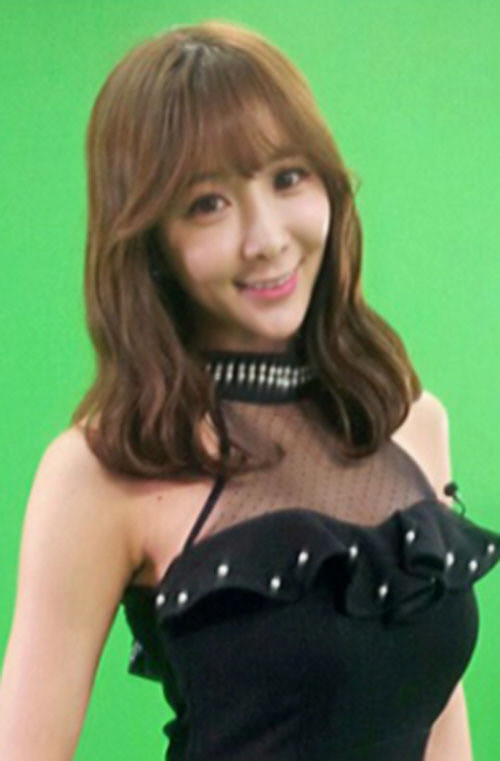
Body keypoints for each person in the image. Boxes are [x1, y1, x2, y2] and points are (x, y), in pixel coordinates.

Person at [0, 18, 498, 761]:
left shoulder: (409, 422)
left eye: (287, 177)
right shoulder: (101, 471)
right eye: (207, 202)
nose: (266, 238)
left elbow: (438, 715)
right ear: (150, 241)